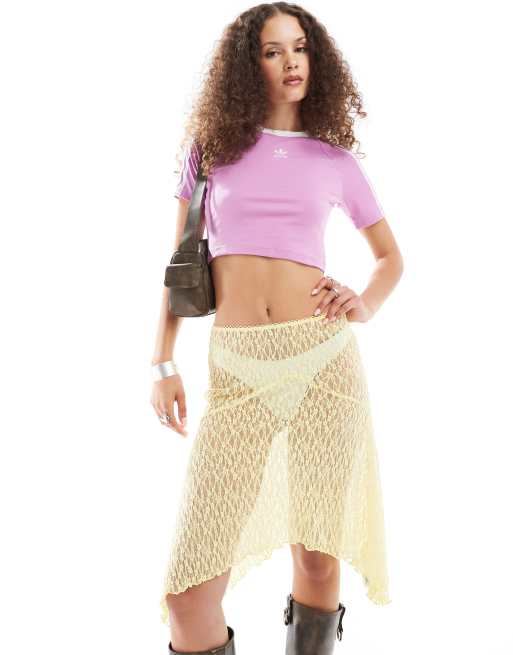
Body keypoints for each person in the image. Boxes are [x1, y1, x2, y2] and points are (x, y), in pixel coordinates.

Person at [151, 3, 403, 654]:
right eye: (272, 51)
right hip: (237, 369)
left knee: (317, 560)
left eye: (300, 48)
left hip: (323, 363)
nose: (291, 62)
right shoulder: (210, 151)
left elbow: (389, 258)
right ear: (248, 65)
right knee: (188, 594)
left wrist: (363, 303)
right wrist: (163, 360)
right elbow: (180, 260)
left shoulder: (333, 160)